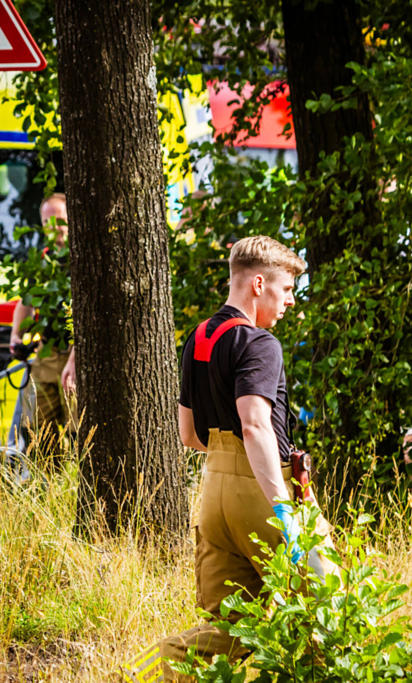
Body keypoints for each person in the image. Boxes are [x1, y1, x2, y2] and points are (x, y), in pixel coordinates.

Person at [123, 236, 339, 683]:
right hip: (264, 490)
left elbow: (189, 434)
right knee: (329, 607)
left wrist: (229, 462)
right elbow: (255, 426)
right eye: (286, 290)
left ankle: (137, 673)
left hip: (214, 493)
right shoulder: (260, 343)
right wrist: (282, 506)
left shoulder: (198, 339)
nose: (290, 302)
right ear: (258, 283)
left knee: (230, 629)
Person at [9, 193, 76, 451]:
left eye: (60, 220)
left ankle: (75, 484)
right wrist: (16, 335)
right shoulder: (41, 260)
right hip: (46, 352)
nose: (54, 228)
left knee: (77, 428)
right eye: (47, 222)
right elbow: (25, 302)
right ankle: (49, 485)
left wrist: (74, 359)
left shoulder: (81, 260)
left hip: (74, 354)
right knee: (38, 430)